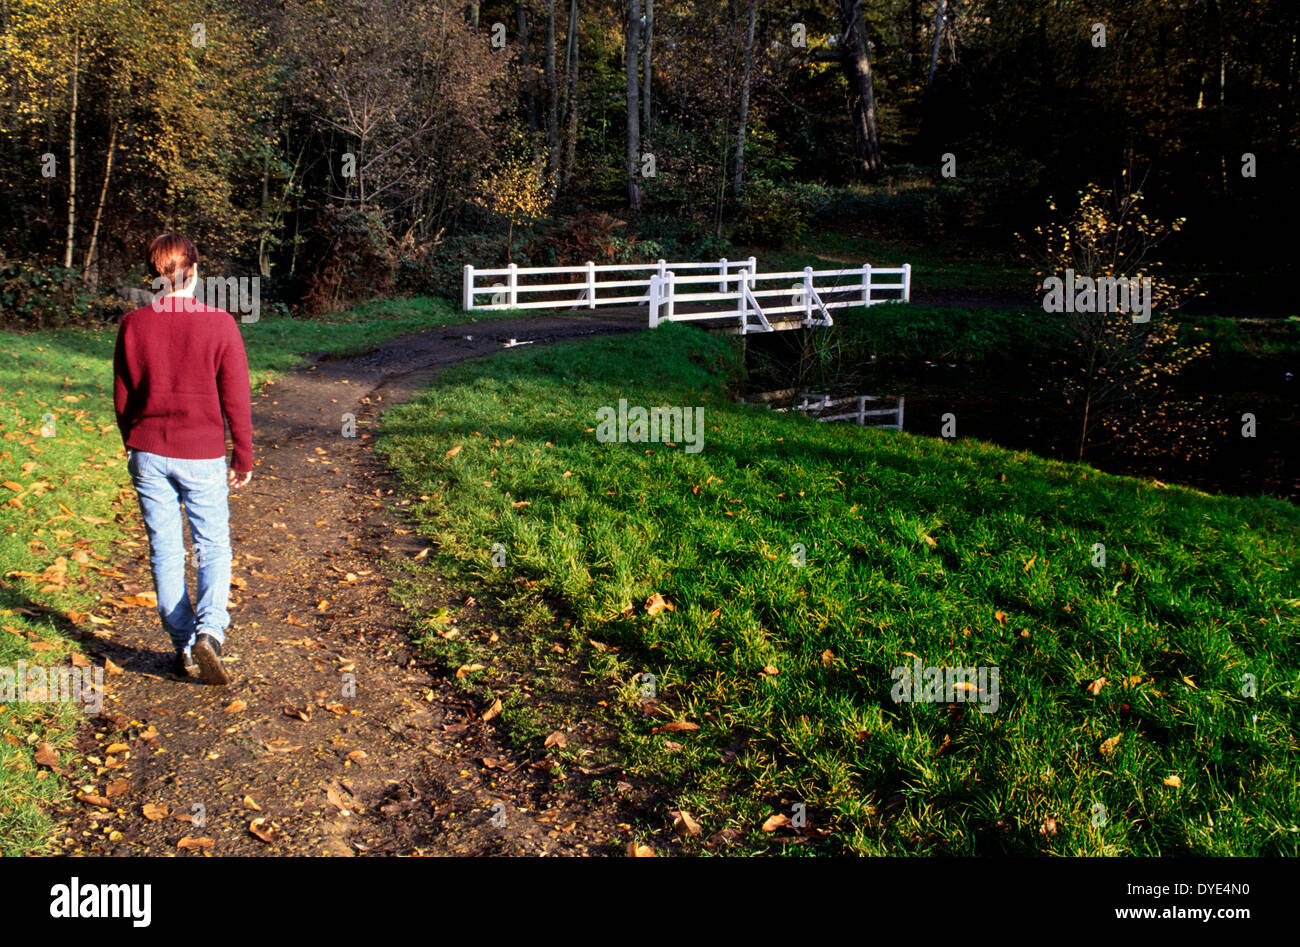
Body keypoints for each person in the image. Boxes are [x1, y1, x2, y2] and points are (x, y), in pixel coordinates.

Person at [113, 233, 253, 685]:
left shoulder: (134, 324)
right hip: (202, 454)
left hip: (148, 451)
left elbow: (123, 396)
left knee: (166, 549)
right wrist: (243, 457)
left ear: (155, 274)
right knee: (212, 545)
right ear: (194, 268)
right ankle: (209, 633)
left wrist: (132, 440)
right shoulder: (220, 324)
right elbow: (236, 399)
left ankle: (182, 646)